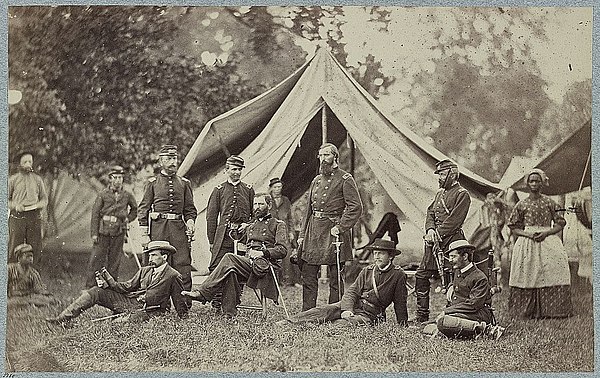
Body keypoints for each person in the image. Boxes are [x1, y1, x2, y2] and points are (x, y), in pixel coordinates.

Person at [182, 193, 288, 318]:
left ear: (269, 205)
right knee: (231, 270)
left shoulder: (278, 224)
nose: (257, 207)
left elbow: (282, 250)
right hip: (250, 265)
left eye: (261, 204)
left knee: (229, 257)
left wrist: (262, 252)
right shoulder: (251, 226)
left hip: (265, 267)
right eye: (255, 204)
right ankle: (229, 313)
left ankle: (203, 292)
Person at [46, 241, 188, 324]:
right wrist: (109, 283)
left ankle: (122, 318)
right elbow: (127, 287)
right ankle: (62, 319)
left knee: (121, 324)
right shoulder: (145, 270)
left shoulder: (173, 275)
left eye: (154, 255)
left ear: (164, 256)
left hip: (151, 311)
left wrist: (183, 320)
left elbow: (179, 301)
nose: (150, 258)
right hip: (130, 303)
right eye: (149, 255)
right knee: (95, 291)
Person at [278, 238, 407, 326]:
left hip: (370, 314)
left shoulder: (397, 275)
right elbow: (352, 292)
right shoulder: (368, 270)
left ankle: (324, 326)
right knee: (323, 310)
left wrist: (403, 324)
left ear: (390, 256)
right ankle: (289, 322)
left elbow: (400, 302)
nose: (377, 257)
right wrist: (346, 309)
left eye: (381, 254)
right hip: (354, 305)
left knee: (341, 325)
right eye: (375, 253)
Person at [297, 143, 362, 311]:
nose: (322, 159)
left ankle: (334, 310)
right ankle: (308, 311)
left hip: (334, 232)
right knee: (309, 274)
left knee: (335, 276)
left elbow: (355, 207)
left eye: (326, 155)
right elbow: (308, 211)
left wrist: (340, 227)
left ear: (335, 157)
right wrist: (302, 235)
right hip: (314, 232)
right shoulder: (316, 180)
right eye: (320, 155)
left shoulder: (345, 179)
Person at [507, 169, 572, 319]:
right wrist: (527, 234)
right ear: (527, 184)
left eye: (537, 181)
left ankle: (554, 310)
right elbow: (513, 227)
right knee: (526, 273)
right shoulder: (521, 204)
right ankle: (526, 310)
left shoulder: (549, 202)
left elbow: (560, 223)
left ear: (543, 183)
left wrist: (547, 233)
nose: (534, 184)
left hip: (547, 241)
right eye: (532, 181)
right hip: (527, 241)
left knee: (553, 269)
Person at [138, 145, 197, 304]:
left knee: (182, 265)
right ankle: (156, 303)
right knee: (157, 265)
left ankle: (183, 303)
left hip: (178, 230)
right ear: (161, 161)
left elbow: (190, 209)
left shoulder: (184, 183)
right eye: (169, 159)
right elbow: (143, 209)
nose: (173, 162)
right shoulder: (152, 183)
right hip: (159, 230)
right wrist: (144, 233)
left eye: (175, 158)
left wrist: (190, 222)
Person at [414, 159, 471, 323]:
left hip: (452, 243)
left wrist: (437, 233)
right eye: (439, 174)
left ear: (452, 175)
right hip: (434, 243)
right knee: (421, 275)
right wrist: (430, 230)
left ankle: (451, 314)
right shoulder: (439, 194)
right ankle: (422, 316)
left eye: (443, 174)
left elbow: (455, 220)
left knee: (452, 280)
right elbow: (430, 213)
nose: (439, 178)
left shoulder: (462, 194)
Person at [425, 240, 504, 339]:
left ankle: (486, 330)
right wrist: (450, 288)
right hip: (461, 313)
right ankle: (457, 331)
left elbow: (473, 305)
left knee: (442, 322)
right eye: (450, 257)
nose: (450, 260)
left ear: (465, 256)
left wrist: (447, 311)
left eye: (453, 256)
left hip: (477, 314)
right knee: (427, 327)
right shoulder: (458, 271)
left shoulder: (480, 277)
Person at [87, 165, 138, 287]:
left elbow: (135, 210)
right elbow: (95, 215)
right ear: (110, 179)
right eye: (115, 177)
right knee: (96, 259)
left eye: (120, 177)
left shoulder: (127, 195)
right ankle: (90, 286)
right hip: (103, 231)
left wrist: (127, 219)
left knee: (114, 261)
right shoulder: (103, 194)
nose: (117, 180)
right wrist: (94, 234)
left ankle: (111, 287)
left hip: (118, 231)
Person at [206, 155, 255, 272]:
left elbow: (256, 214)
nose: (237, 172)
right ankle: (220, 290)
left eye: (239, 169)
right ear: (226, 170)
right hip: (224, 236)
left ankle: (238, 291)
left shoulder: (248, 189)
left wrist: (247, 225)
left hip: (242, 236)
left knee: (240, 265)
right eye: (234, 169)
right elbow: (211, 217)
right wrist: (212, 240)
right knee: (217, 266)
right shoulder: (219, 190)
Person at [8, 152, 48, 263]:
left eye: (30, 162)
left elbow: (44, 200)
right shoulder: (13, 180)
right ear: (19, 164)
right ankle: (12, 275)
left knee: (35, 247)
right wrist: (16, 205)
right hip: (17, 216)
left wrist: (37, 205)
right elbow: (5, 200)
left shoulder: (37, 180)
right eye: (25, 162)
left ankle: (34, 276)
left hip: (34, 216)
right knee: (14, 245)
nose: (28, 164)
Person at [268, 177, 299, 286]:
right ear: (271, 188)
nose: (277, 189)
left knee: (286, 254)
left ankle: (287, 280)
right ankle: (274, 280)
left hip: (284, 231)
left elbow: (290, 218)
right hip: (271, 231)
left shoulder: (285, 200)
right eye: (275, 187)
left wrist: (291, 232)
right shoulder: (267, 200)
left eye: (279, 187)